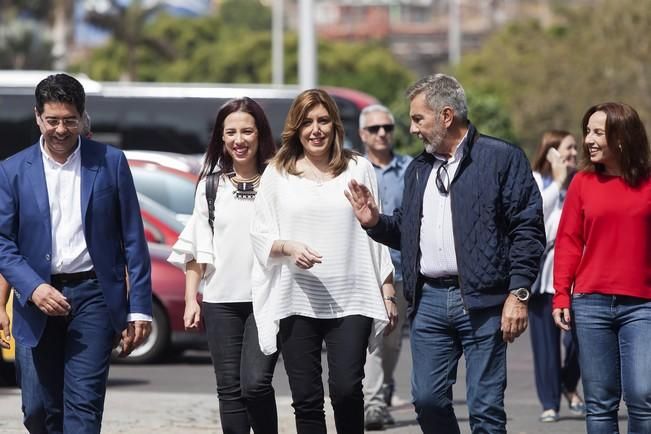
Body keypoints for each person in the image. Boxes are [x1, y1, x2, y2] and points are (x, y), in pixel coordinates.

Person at [345, 73, 545, 434]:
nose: (412, 128)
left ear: (446, 116)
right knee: (427, 400)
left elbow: (528, 230)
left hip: (485, 303)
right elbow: (407, 229)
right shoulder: (418, 169)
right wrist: (375, 222)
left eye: (418, 118)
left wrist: (518, 294)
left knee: (485, 409)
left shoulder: (502, 158)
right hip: (430, 302)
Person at [0, 73, 152, 434]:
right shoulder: (12, 171)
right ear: (38, 117)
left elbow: (133, 238)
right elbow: (3, 243)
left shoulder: (110, 162)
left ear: (83, 118)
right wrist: (33, 288)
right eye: (52, 120)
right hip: (37, 300)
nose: (60, 130)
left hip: (94, 298)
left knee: (82, 408)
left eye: (69, 120)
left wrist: (140, 307)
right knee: (38, 409)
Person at [250, 88, 398, 434]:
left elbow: (374, 232)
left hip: (353, 296)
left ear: (334, 124)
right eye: (307, 123)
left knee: (347, 390)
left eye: (322, 121)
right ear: (296, 129)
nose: (315, 130)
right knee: (306, 399)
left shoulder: (358, 167)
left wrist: (387, 290)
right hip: (296, 299)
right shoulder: (277, 173)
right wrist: (288, 247)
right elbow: (259, 235)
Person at [168, 97, 279, 434]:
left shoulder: (279, 182)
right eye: (230, 132)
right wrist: (191, 299)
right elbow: (196, 248)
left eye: (247, 131)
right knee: (229, 391)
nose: (239, 139)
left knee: (255, 384)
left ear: (260, 135)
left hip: (268, 301)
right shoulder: (210, 187)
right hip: (220, 302)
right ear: (221, 138)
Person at [552, 102, 651, 434]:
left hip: (642, 305)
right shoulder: (582, 183)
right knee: (600, 403)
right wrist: (561, 296)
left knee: (643, 395)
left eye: (597, 132)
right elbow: (568, 241)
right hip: (590, 303)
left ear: (621, 138)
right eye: (588, 132)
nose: (588, 140)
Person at [357, 104, 412, 430]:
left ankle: (383, 390)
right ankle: (373, 404)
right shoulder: (354, 169)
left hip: (400, 270)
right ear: (363, 134)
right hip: (362, 270)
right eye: (375, 128)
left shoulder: (409, 169)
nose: (382, 134)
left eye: (387, 128)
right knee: (375, 337)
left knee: (390, 340)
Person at [529, 130, 584, 423]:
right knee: (545, 343)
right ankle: (549, 402)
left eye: (576, 148)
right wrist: (558, 181)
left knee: (580, 339)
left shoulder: (583, 183)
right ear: (551, 152)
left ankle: (567, 381)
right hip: (542, 273)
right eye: (568, 148)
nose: (575, 153)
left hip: (577, 274)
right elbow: (536, 216)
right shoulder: (537, 181)